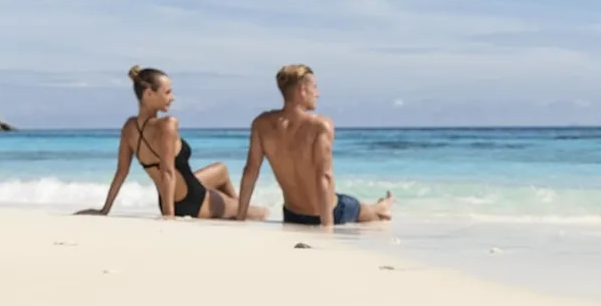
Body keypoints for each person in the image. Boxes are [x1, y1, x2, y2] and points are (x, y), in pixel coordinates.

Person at [76, 66, 269, 221]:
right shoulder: (167, 125)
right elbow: (167, 172)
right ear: (149, 93)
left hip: (171, 198)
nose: (172, 97)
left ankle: (234, 209)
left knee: (222, 170)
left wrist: (105, 209)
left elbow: (121, 172)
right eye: (167, 92)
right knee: (261, 213)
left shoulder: (129, 127)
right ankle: (237, 211)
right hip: (193, 201)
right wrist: (169, 216)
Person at [235, 64, 393, 227]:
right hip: (329, 212)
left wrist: (240, 217)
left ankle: (381, 206)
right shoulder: (320, 125)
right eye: (315, 87)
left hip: (292, 215)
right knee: (363, 211)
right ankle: (381, 208)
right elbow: (324, 176)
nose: (318, 94)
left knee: (361, 207)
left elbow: (250, 171)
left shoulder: (261, 124)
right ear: (302, 90)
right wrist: (327, 227)